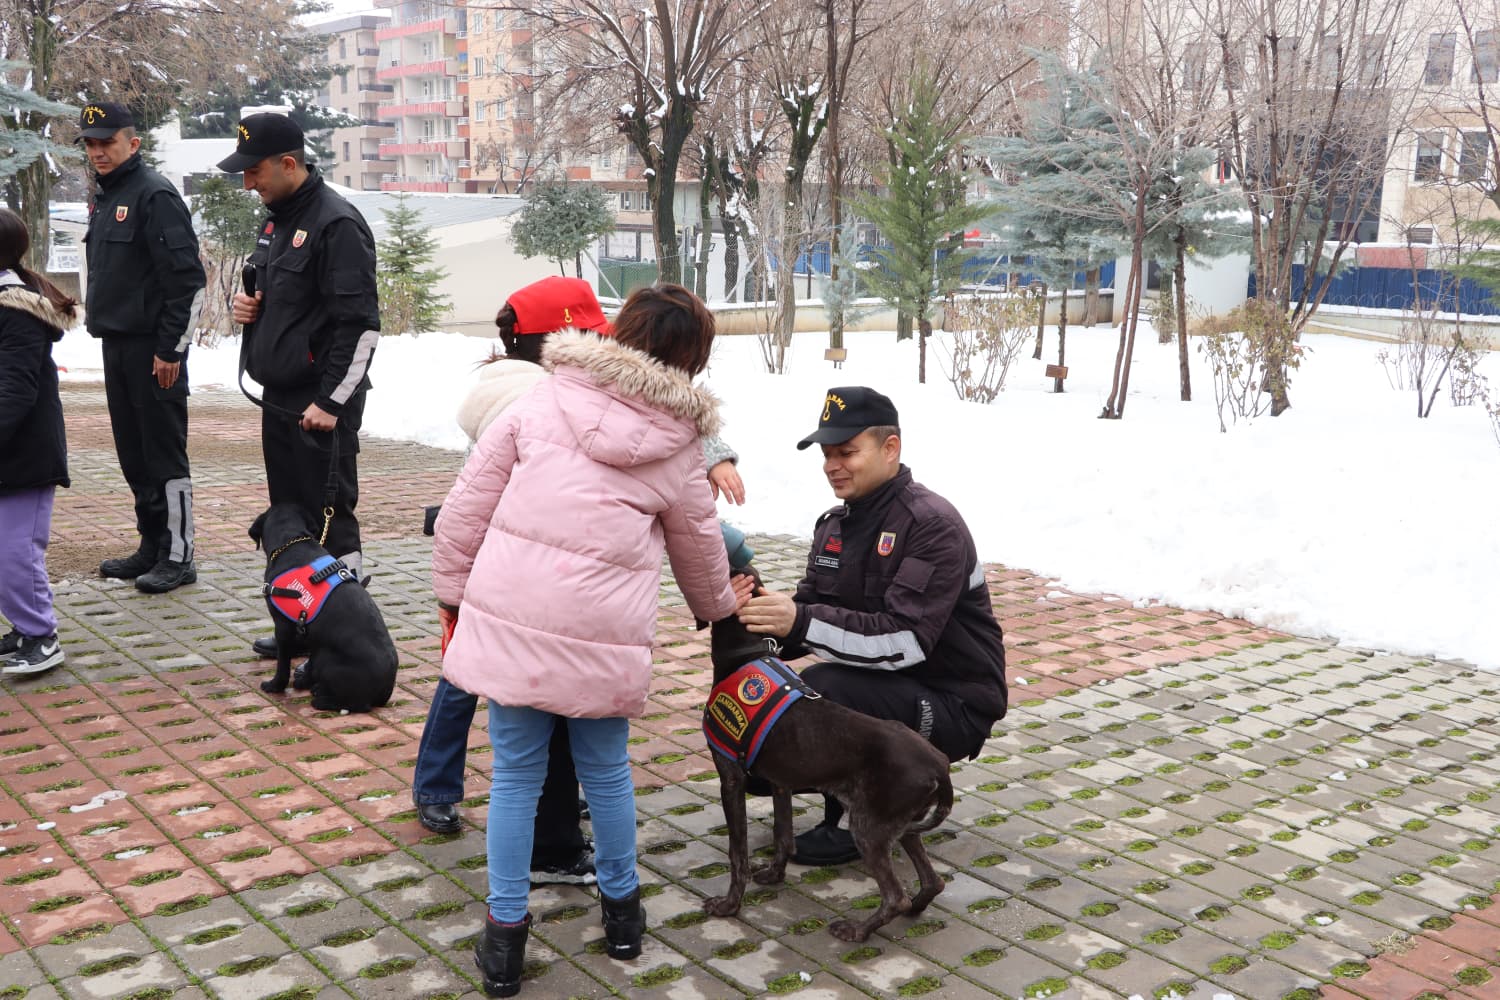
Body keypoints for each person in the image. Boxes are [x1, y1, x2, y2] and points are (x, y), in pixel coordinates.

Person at [431, 283, 753, 998]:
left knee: (515, 776)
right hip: (604, 634)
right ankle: (623, 915)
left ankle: (506, 936)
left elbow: (464, 510)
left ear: (618, 333)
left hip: (511, 614)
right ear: (692, 362)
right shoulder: (681, 443)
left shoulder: (538, 400)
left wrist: (452, 596)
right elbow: (701, 553)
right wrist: (717, 609)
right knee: (605, 772)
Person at [738, 385, 1007, 866]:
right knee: (768, 696)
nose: (832, 465)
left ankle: (858, 817)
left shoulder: (932, 525)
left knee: (823, 687)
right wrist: (756, 622)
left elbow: (904, 641)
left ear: (890, 449)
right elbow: (810, 607)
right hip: (891, 683)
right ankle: (836, 787)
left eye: (847, 452)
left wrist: (799, 622)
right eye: (826, 454)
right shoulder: (836, 525)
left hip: (952, 699)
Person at [223, 113, 382, 663]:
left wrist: (332, 402)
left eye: (254, 172)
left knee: (331, 525)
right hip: (280, 399)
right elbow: (283, 301)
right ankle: (302, 621)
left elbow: (360, 327)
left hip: (320, 404)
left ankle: (349, 636)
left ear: (289, 163)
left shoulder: (336, 224)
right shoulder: (276, 219)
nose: (247, 184)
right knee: (291, 522)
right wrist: (249, 308)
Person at [80, 101, 207, 594]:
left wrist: (172, 350)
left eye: (106, 142)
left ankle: (180, 555)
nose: (98, 152)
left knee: (163, 454)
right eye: (91, 144)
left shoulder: (154, 194)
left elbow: (188, 282)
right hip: (118, 345)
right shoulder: (108, 196)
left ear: (132, 143)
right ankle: (152, 544)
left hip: (155, 351)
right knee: (134, 454)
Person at [0, 209, 77, 677]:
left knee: (15, 552)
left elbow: (14, 391)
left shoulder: (17, 310)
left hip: (23, 455)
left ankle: (41, 635)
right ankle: (24, 627)